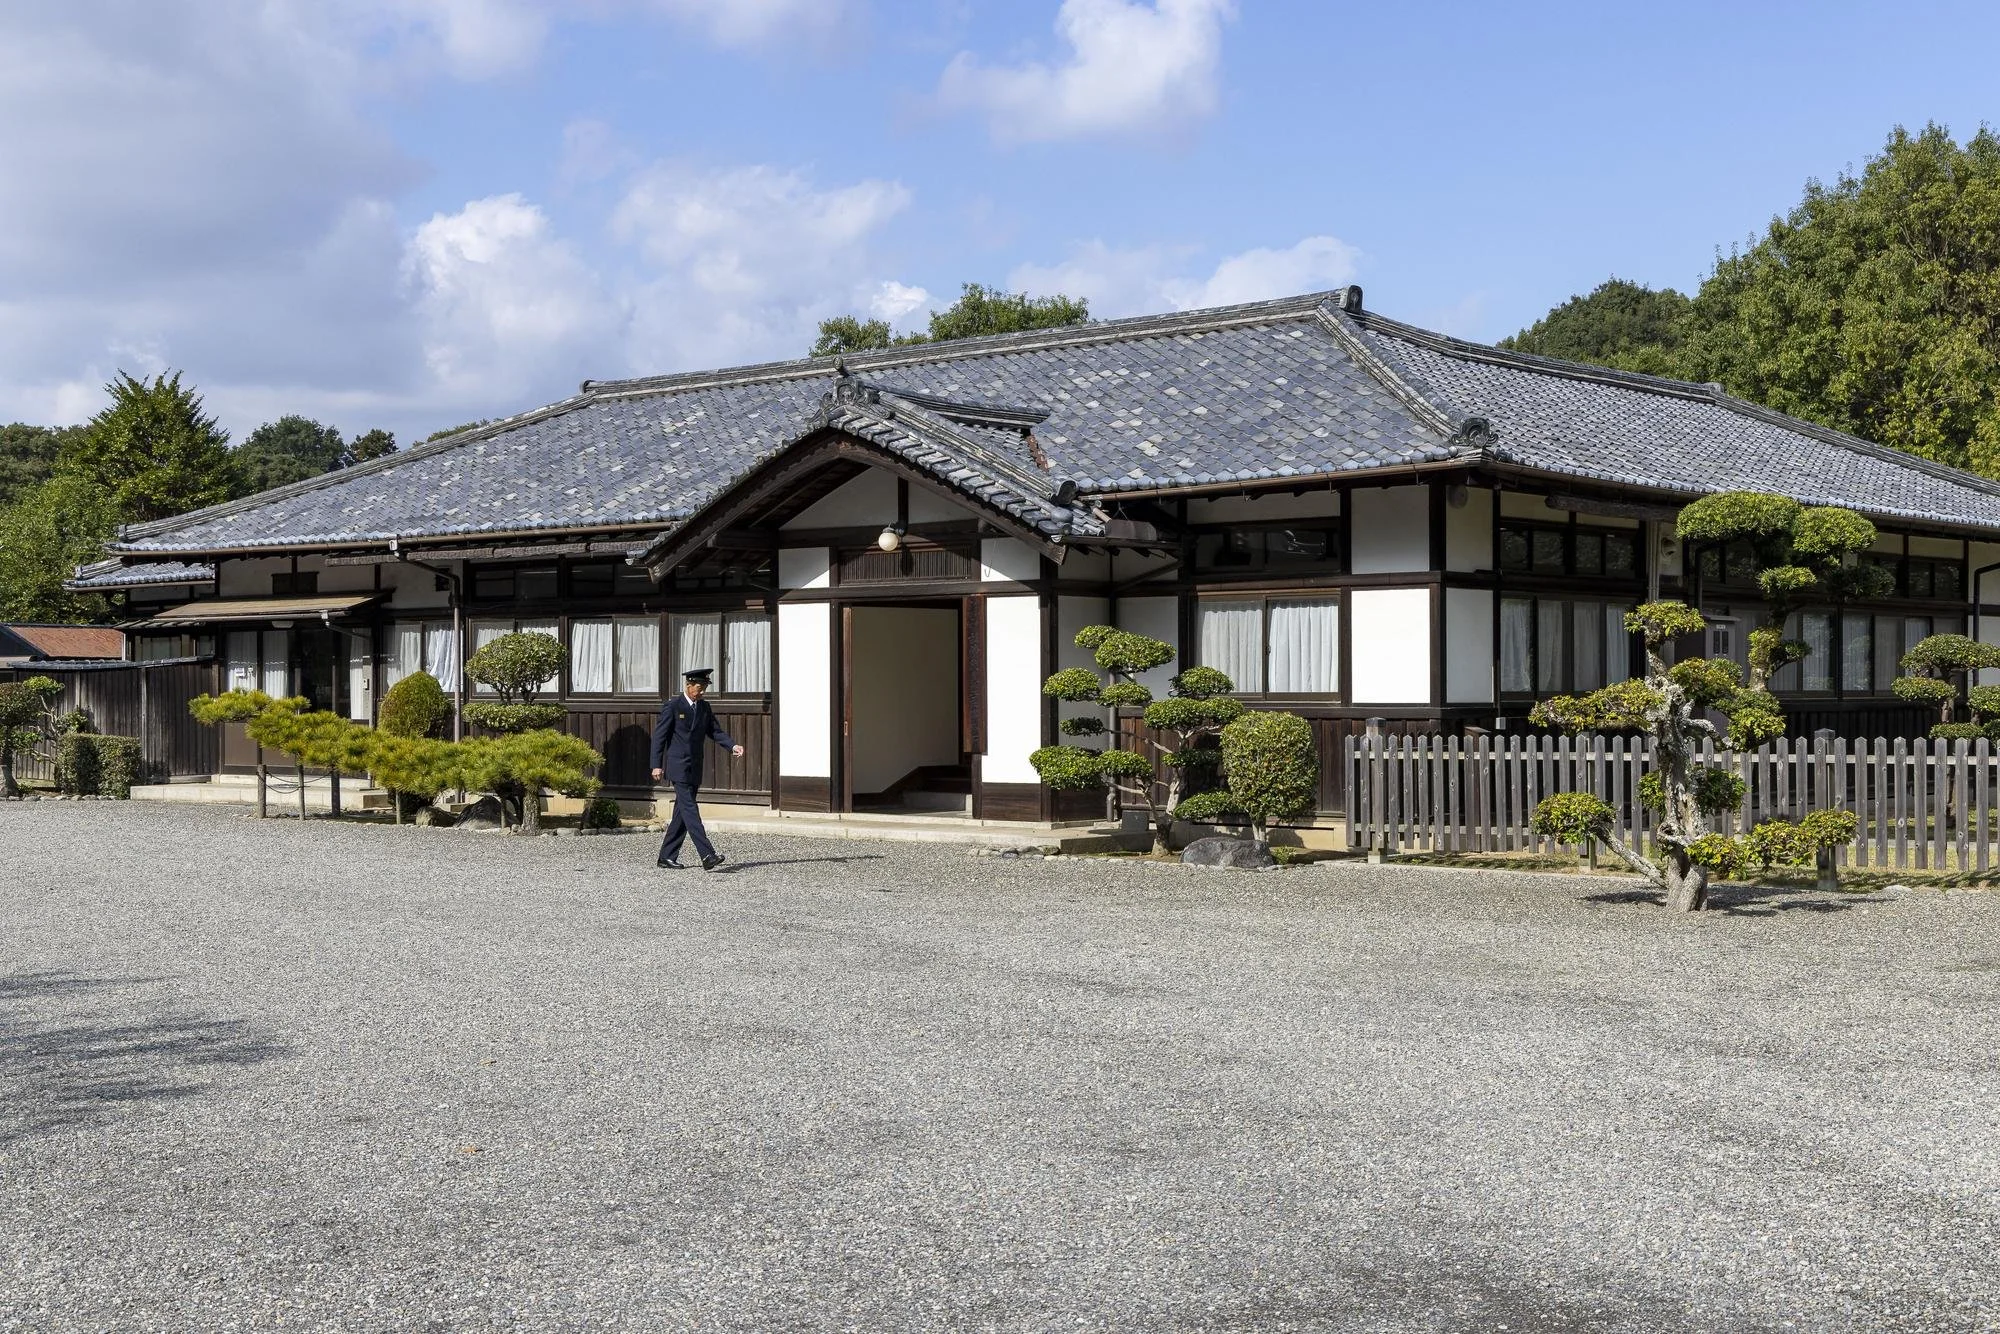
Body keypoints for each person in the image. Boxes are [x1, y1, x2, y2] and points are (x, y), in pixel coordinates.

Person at [650, 667, 745, 870]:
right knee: (691, 810)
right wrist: (656, 764)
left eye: (704, 688)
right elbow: (659, 737)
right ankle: (707, 855)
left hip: (695, 766)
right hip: (678, 766)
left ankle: (666, 856)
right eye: (699, 688)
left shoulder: (704, 707)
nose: (702, 692)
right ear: (689, 685)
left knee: (682, 813)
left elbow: (715, 731)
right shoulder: (673, 706)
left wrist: (732, 745)